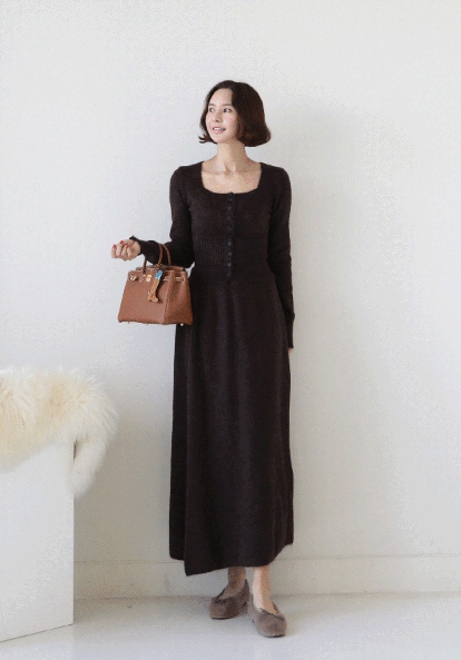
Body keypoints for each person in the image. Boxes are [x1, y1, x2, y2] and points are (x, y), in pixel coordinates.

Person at [111, 80, 295, 637]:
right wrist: (144, 248)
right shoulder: (186, 179)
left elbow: (280, 256)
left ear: (247, 118)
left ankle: (262, 587)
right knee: (215, 439)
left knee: (258, 446)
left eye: (227, 109)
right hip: (204, 323)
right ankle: (233, 581)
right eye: (211, 109)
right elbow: (184, 251)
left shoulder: (276, 181)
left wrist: (286, 330)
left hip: (260, 321)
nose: (216, 117)